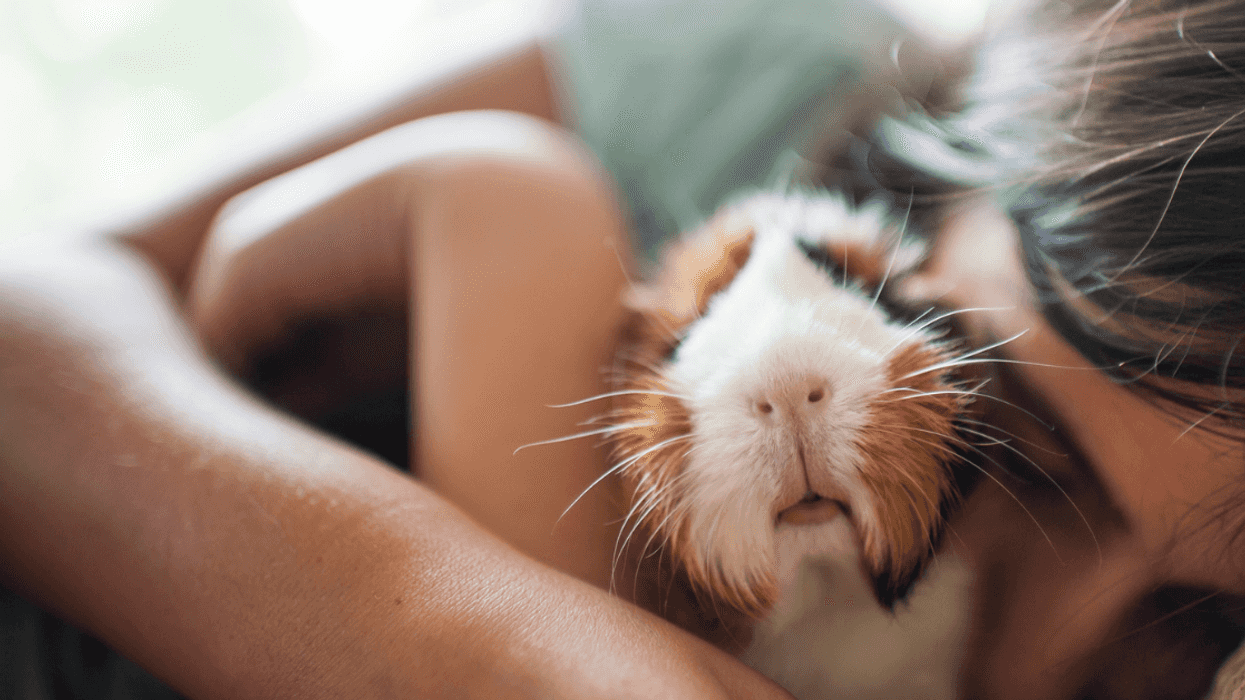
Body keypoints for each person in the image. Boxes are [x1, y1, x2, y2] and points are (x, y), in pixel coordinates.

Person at [1, 1, 1244, 699]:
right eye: (1024, 430)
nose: (1056, 633)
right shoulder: (754, 64)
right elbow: (28, 309)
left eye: (1209, 617)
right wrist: (473, 642)